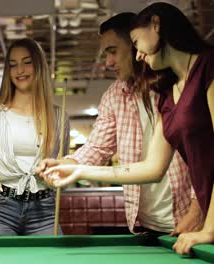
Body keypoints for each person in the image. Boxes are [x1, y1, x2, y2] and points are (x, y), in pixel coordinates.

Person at [39, 2, 213, 255]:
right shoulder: (138, 94)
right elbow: (146, 166)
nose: (108, 62)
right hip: (147, 223)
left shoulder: (193, 75)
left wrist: (203, 216)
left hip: (194, 215)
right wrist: (71, 165)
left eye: (114, 50)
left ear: (150, 30)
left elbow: (207, 157)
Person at [0, 38, 70, 235]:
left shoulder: (59, 116)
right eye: (13, 65)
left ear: (39, 66)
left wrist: (58, 175)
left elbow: (64, 163)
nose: (20, 70)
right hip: (1, 208)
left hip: (45, 209)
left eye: (27, 62)